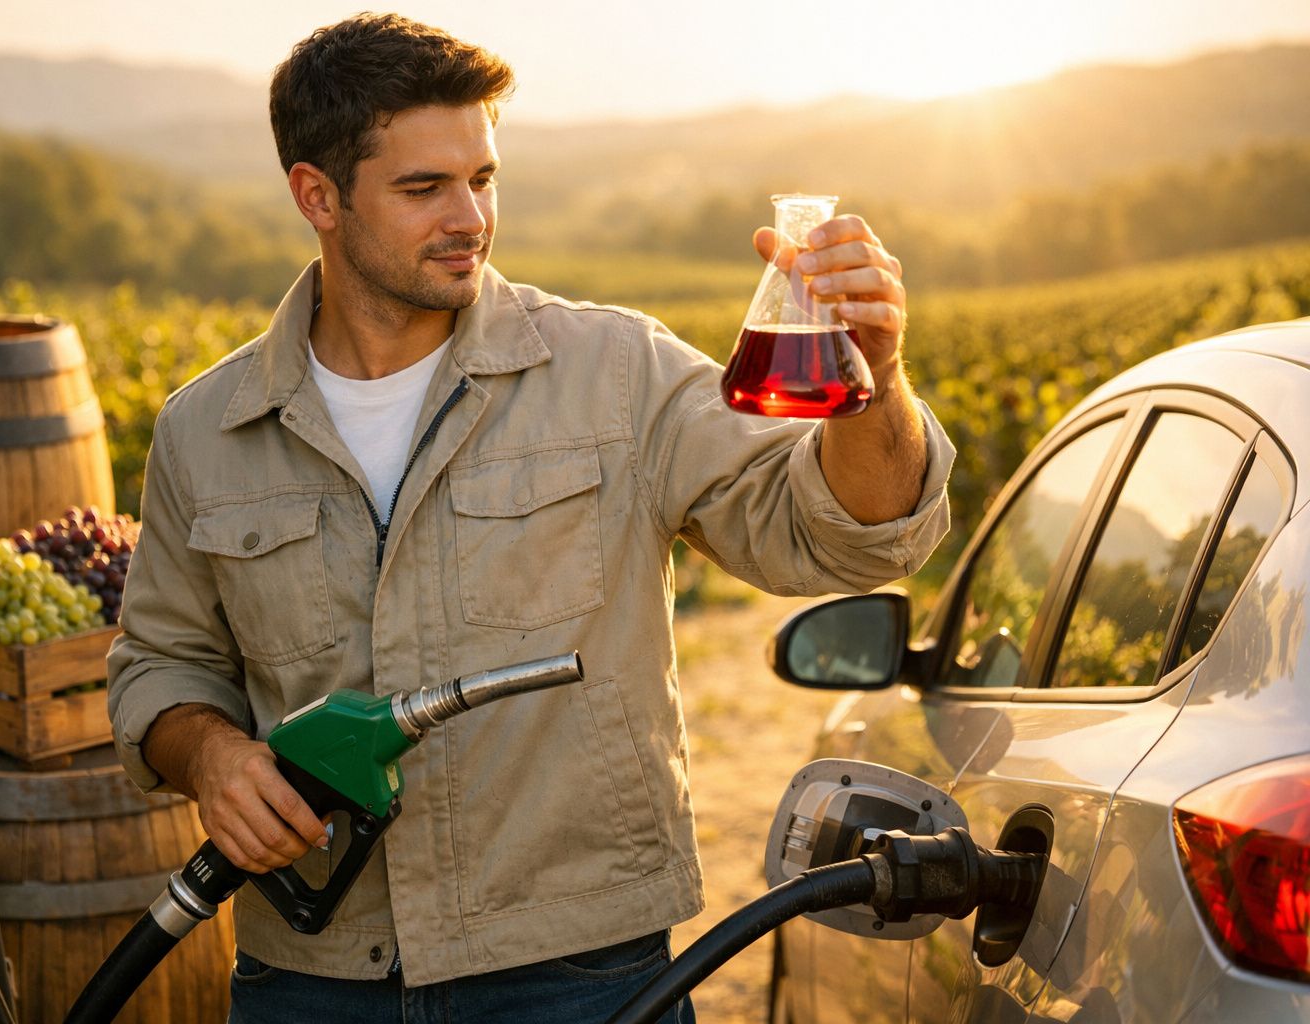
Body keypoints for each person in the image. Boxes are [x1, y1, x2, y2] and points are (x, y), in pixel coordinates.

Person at [107, 13, 954, 1023]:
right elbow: (160, 662)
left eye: (483, 178)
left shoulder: (616, 373)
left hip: (578, 975)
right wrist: (211, 756)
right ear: (316, 196)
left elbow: (839, 534)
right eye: (425, 188)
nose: (469, 215)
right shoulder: (208, 427)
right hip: (313, 977)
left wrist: (879, 378)